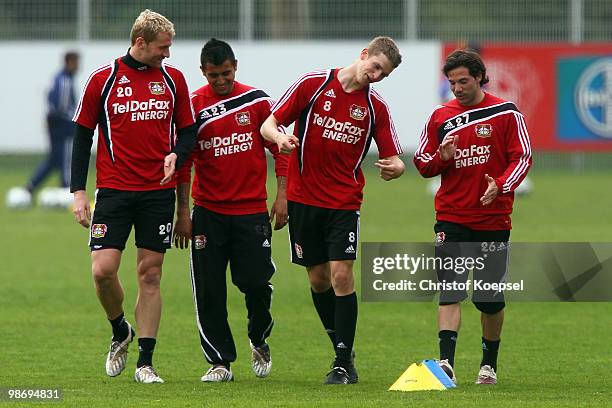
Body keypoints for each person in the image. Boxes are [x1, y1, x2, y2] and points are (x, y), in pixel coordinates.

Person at [260, 36, 405, 385]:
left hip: (343, 202)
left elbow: (395, 158)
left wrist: (395, 168)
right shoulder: (314, 84)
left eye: (383, 74)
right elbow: (269, 123)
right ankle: (341, 343)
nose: (376, 76)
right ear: (364, 55)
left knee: (341, 275)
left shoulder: (376, 108)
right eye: (375, 67)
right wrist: (279, 139)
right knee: (318, 279)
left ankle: (342, 361)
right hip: (303, 199)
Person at [70, 9, 196, 384]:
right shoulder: (103, 80)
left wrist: (178, 153)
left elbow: (188, 131)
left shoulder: (173, 80)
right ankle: (119, 330)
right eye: (163, 47)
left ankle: (146, 362)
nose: (168, 54)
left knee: (150, 274)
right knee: (102, 272)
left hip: (158, 193)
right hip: (113, 191)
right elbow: (81, 137)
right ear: (140, 42)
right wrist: (79, 192)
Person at [173, 39, 289, 383]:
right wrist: (183, 213)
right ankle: (220, 362)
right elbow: (184, 164)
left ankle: (259, 336)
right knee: (209, 290)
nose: (220, 81)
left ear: (235, 66)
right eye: (213, 76)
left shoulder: (257, 102)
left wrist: (283, 196)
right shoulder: (192, 107)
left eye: (225, 73)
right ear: (202, 72)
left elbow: (282, 149)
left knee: (255, 281)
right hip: (208, 212)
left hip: (252, 212)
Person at [413, 49, 532, 385]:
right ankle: (445, 364)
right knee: (449, 289)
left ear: (479, 76)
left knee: (488, 297)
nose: (457, 88)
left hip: (493, 219)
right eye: (451, 82)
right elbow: (423, 164)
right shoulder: (439, 117)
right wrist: (442, 157)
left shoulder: (506, 113)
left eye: (463, 81)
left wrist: (503, 185)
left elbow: (522, 156)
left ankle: (488, 364)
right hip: (450, 216)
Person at [22, 51, 80, 202]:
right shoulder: (65, 80)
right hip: (63, 126)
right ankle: (66, 190)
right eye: (76, 62)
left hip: (54, 124)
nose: (78, 66)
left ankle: (30, 186)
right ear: (69, 62)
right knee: (67, 159)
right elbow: (61, 107)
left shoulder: (57, 78)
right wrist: (74, 119)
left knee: (54, 159)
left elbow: (49, 99)